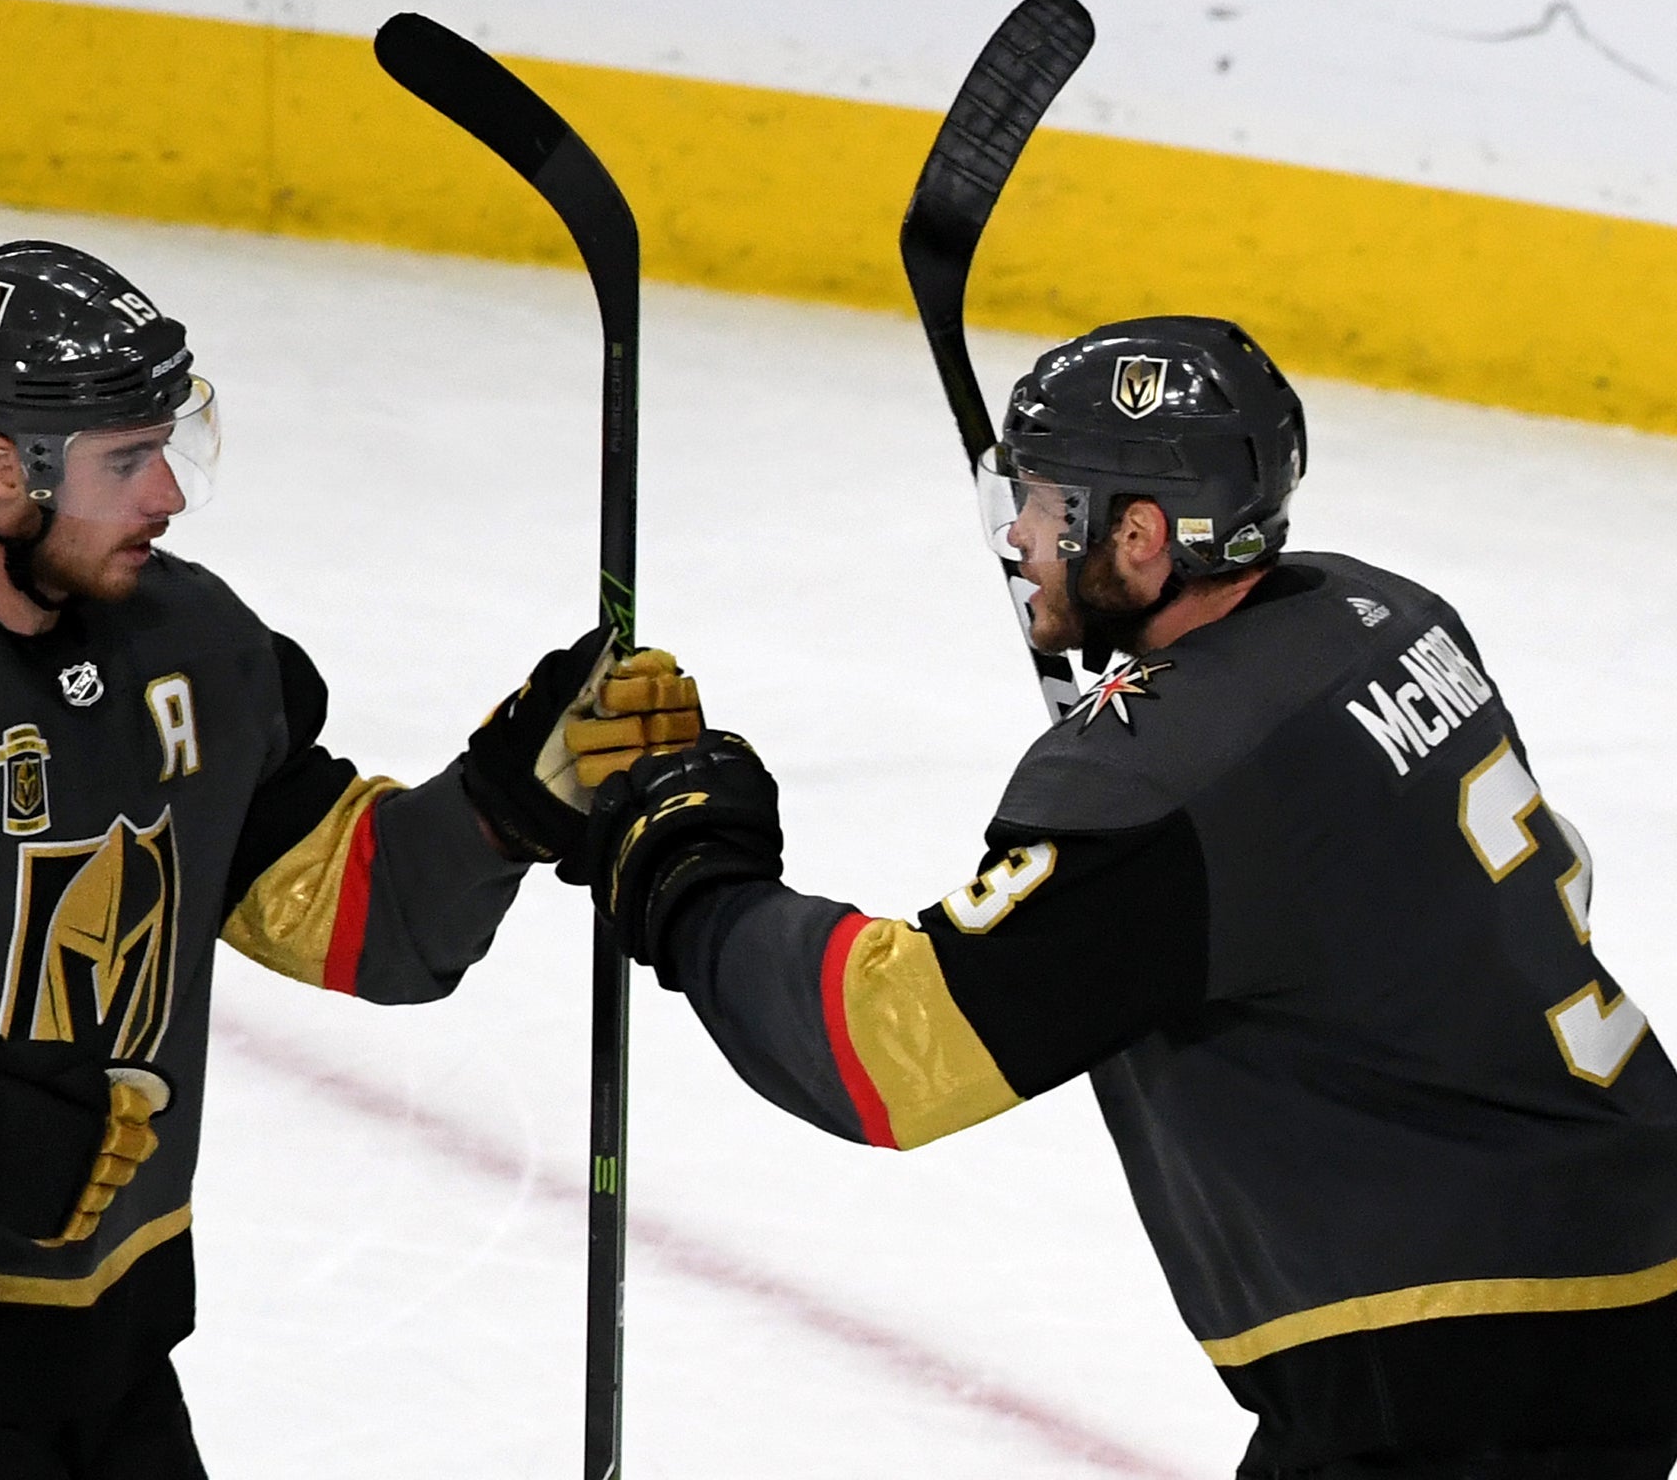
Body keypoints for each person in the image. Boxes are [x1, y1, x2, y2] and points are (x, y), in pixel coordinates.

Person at [0, 239, 699, 1479]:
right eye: (125, 462)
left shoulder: (187, 645)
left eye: (168, 447)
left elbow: (361, 916)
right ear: (0, 468)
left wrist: (504, 806)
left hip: (107, 1349)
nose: (167, 497)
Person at [583, 315, 1677, 1479]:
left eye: (1047, 504)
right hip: (1618, 1244)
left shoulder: (1161, 779)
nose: (1015, 535)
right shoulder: (1384, 616)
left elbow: (886, 1052)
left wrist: (690, 874)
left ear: (1141, 536)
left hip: (1454, 1352)